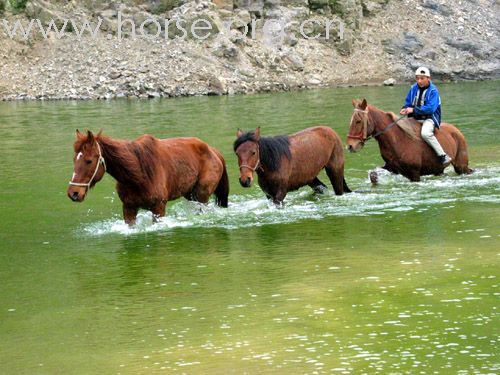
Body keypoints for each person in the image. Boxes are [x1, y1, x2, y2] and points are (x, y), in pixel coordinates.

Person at [400, 67, 452, 164]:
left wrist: (413, 110)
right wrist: (405, 108)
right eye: (417, 78)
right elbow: (408, 102)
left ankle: (443, 156)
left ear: (428, 78)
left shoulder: (433, 91)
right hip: (414, 117)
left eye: (422, 78)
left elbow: (430, 109)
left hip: (430, 118)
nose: (419, 81)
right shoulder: (413, 89)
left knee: (425, 133)